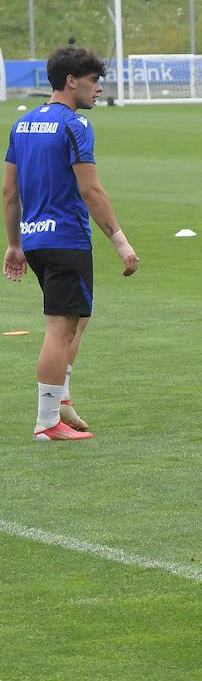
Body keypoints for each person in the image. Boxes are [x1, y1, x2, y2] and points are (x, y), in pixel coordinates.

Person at [3, 46, 140, 441]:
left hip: (36, 239)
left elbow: (9, 193)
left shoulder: (23, 125)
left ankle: (60, 402)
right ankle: (47, 423)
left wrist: (14, 244)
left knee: (77, 319)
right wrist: (119, 240)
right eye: (94, 81)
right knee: (59, 328)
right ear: (70, 81)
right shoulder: (74, 125)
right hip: (66, 238)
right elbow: (91, 190)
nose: (99, 88)